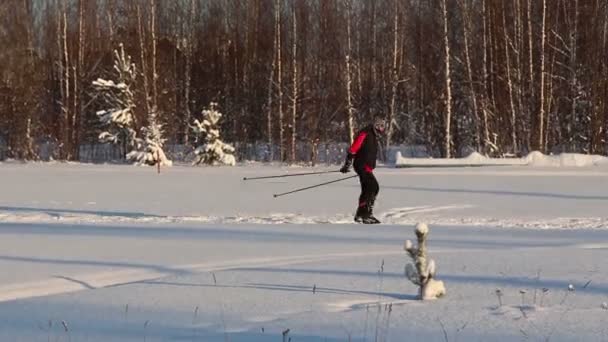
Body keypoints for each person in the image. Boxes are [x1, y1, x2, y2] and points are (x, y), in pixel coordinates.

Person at [340, 117, 386, 224]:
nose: (381, 129)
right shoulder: (365, 133)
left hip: (366, 167)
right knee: (372, 187)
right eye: (380, 126)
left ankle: (361, 214)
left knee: (368, 189)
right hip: (362, 165)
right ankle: (366, 215)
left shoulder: (373, 135)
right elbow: (353, 149)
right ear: (375, 125)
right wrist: (347, 163)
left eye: (383, 127)